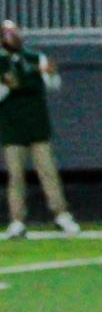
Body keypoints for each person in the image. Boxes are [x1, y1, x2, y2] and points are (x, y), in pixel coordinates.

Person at [1, 20, 81, 239]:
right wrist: (7, 86)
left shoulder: (36, 57)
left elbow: (53, 84)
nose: (11, 37)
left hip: (37, 125)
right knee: (15, 176)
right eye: (7, 33)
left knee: (48, 172)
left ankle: (61, 214)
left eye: (13, 32)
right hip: (12, 127)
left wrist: (52, 74)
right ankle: (17, 221)